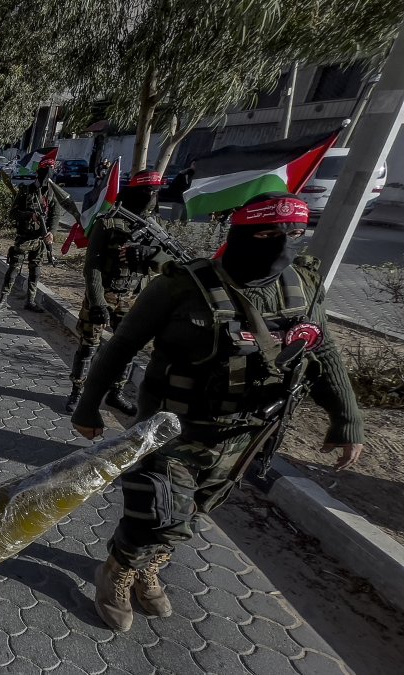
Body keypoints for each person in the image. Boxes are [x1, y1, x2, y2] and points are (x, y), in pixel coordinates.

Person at [72, 194, 365, 634]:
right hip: (171, 429)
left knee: (192, 511)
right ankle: (117, 571)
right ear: (241, 235)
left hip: (246, 436)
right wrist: (88, 405)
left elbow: (320, 348)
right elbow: (121, 346)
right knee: (160, 510)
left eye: (294, 234)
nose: (281, 244)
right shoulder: (180, 286)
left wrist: (346, 418)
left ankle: (145, 562)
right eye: (267, 233)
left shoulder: (301, 285)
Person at [66, 169, 168, 415]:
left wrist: (150, 255)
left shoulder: (156, 227)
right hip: (104, 293)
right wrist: (98, 301)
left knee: (127, 349)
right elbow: (92, 266)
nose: (152, 196)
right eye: (147, 191)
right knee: (89, 346)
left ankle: (116, 393)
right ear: (133, 192)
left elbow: (165, 264)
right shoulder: (108, 222)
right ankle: (77, 392)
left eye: (155, 191)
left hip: (133, 297)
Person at [0, 158, 81, 313]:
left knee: (35, 271)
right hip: (24, 238)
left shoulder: (52, 193)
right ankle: (3, 299)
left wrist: (52, 233)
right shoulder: (25, 191)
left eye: (51, 170)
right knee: (13, 269)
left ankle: (30, 301)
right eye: (45, 170)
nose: (48, 174)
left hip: (41, 239)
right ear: (38, 172)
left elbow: (55, 216)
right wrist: (30, 215)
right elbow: (13, 214)